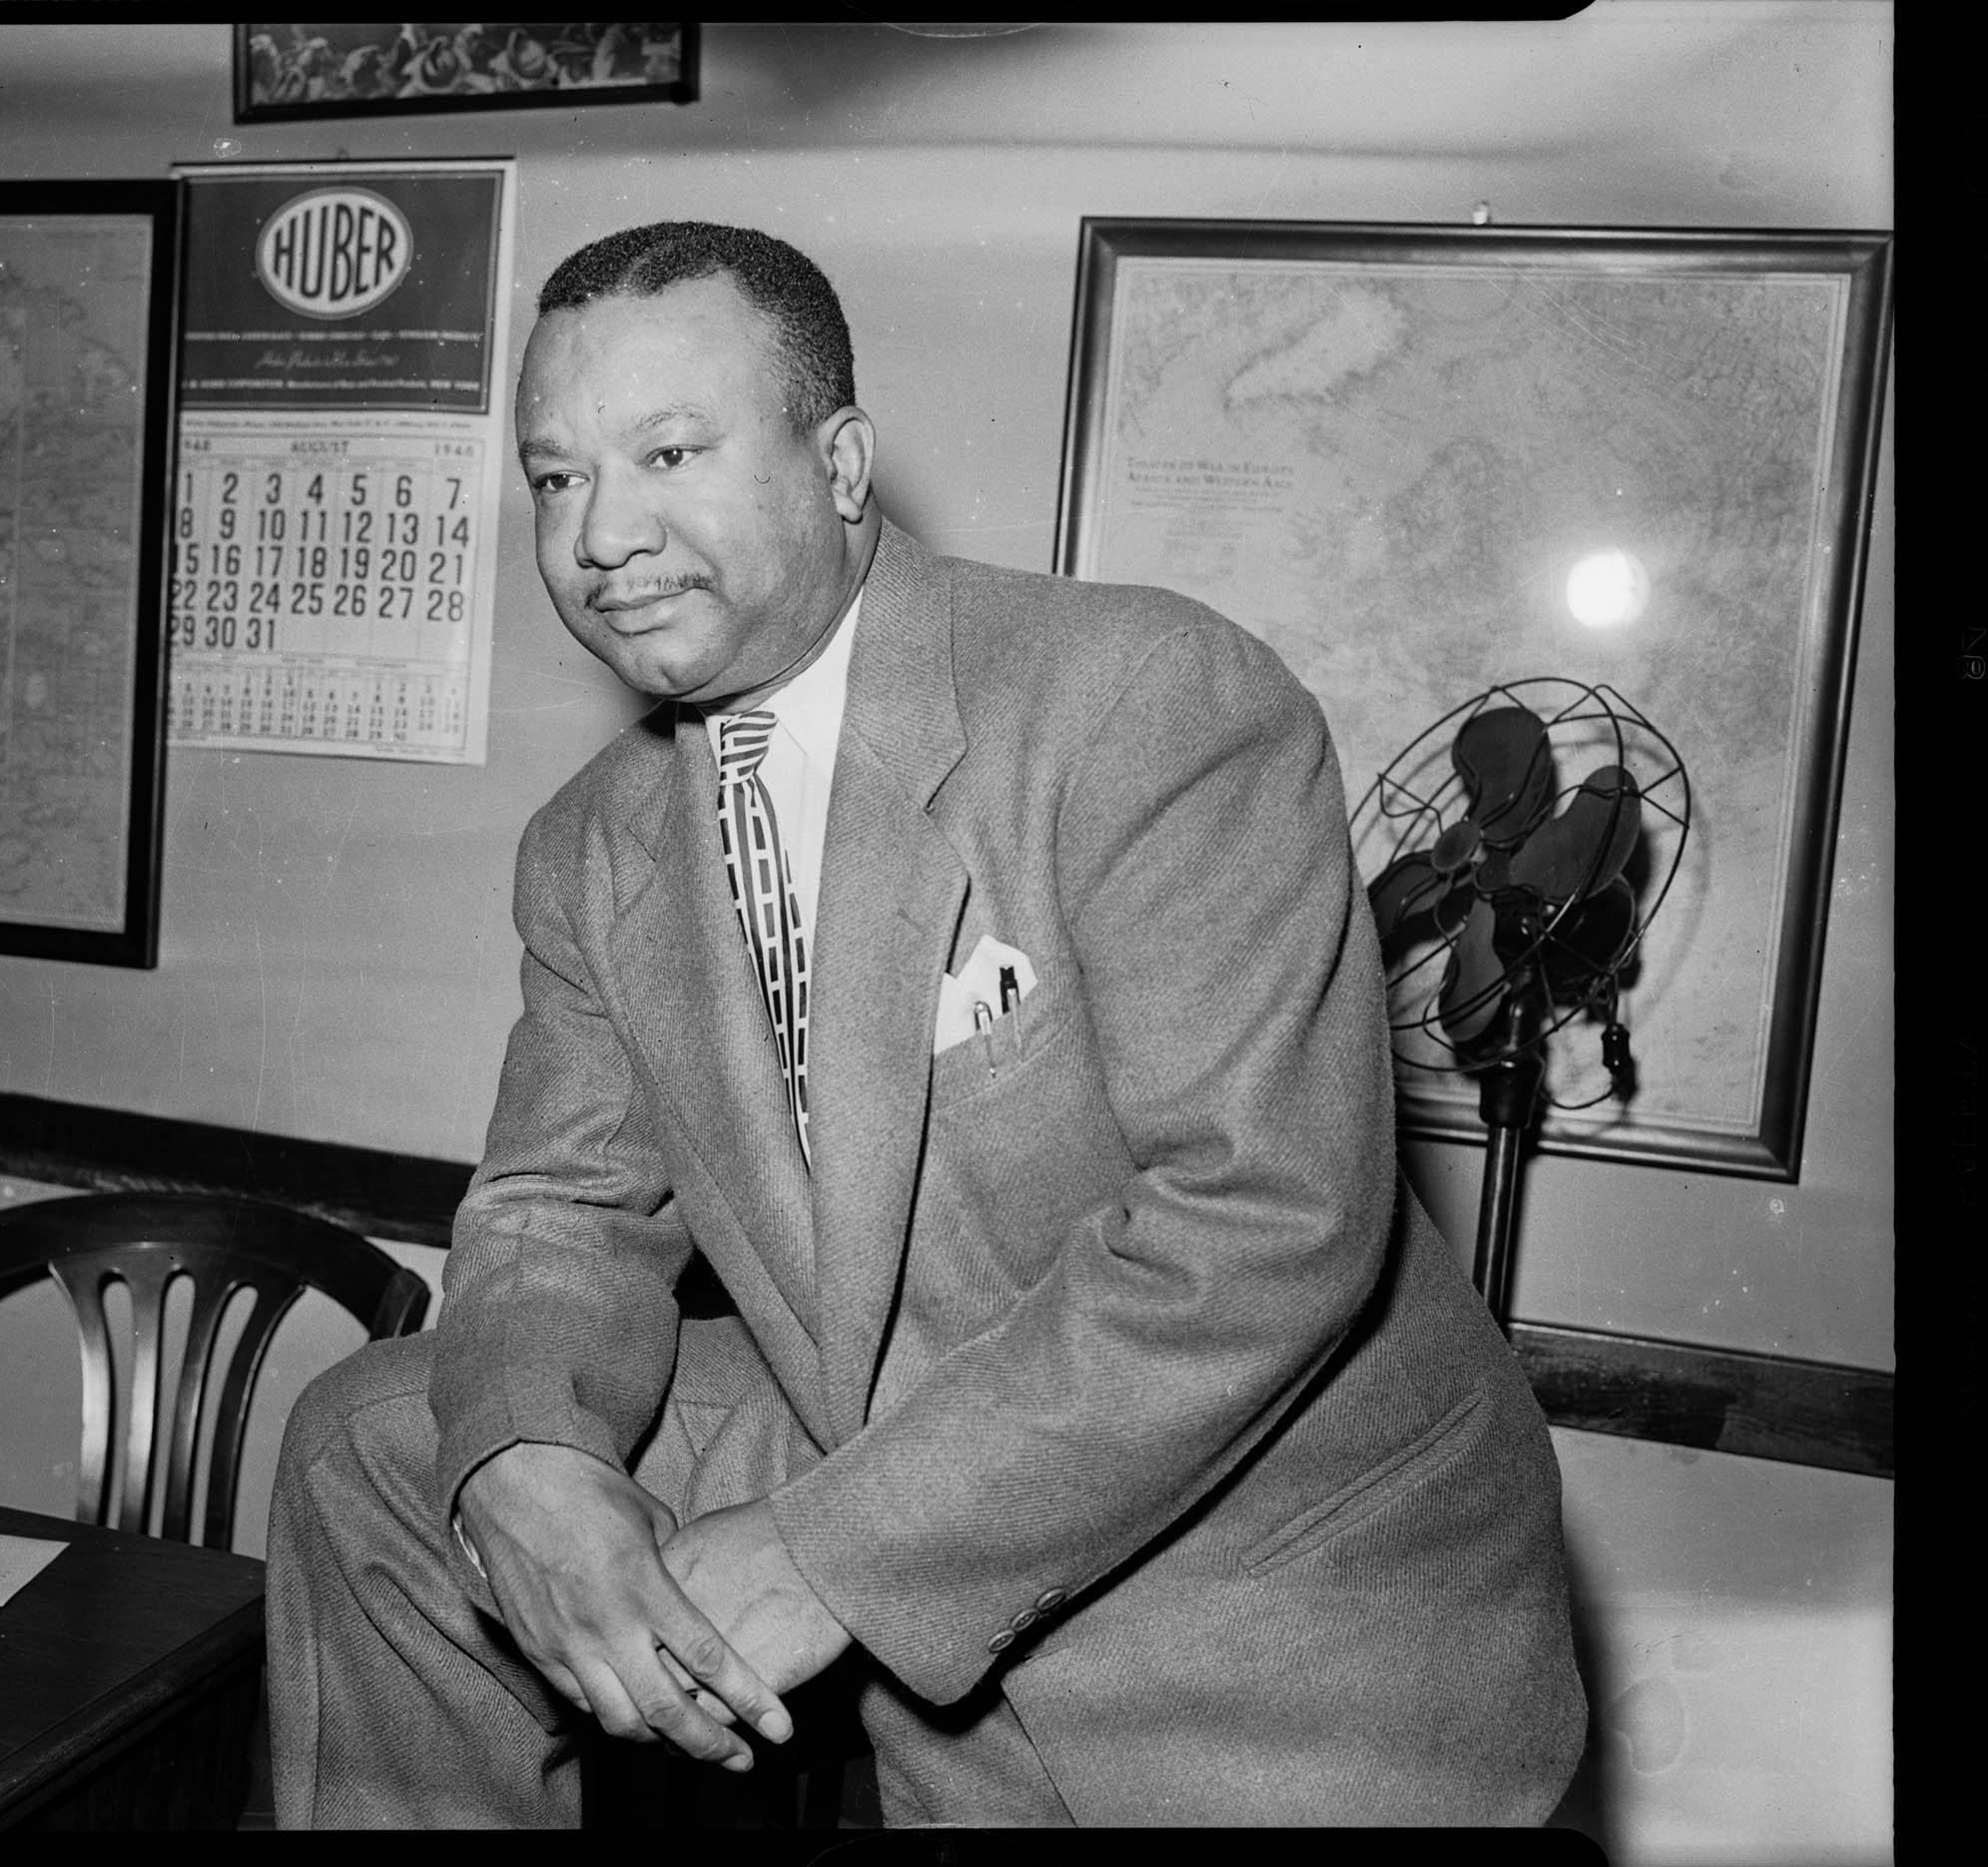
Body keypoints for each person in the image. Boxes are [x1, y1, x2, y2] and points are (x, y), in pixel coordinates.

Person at [265, 221, 1588, 1828]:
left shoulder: (1145, 699)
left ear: (842, 464)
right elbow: (557, 1211)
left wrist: (825, 1555)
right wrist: (524, 1474)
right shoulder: (592, 845)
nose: (602, 533)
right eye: (555, 479)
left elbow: (1263, 1221)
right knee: (387, 1443)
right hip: (892, 1452)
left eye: (669, 451)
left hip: (1287, 1611)